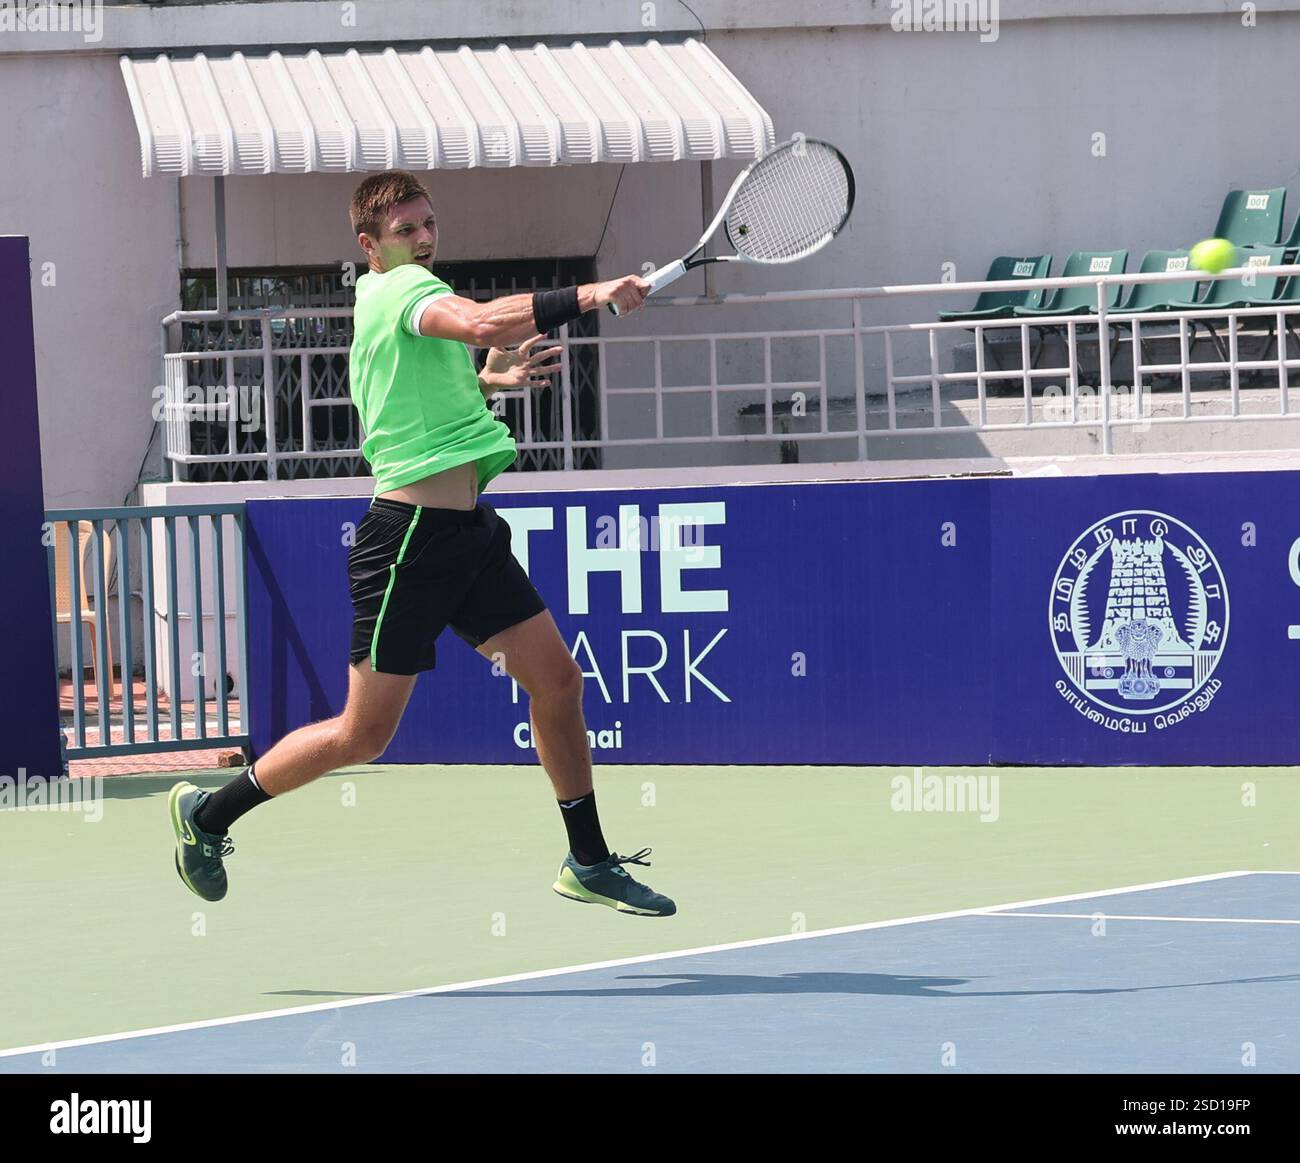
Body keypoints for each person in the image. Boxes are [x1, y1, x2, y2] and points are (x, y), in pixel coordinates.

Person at [168, 169, 675, 917]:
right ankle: (208, 815)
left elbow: (414, 403)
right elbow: (479, 322)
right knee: (362, 735)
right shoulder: (397, 291)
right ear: (371, 248)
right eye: (405, 230)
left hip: (466, 537)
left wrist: (486, 384)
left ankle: (588, 859)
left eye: (429, 223)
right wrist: (593, 294)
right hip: (406, 543)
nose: (424, 237)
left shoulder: (408, 305)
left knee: (558, 684)